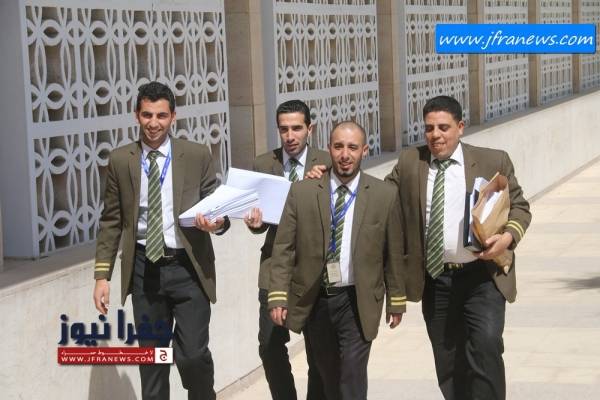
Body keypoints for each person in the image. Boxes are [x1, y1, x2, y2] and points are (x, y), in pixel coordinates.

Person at [385, 95, 532, 400]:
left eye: (443, 127)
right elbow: (378, 196)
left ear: (460, 127)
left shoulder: (493, 161)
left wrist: (506, 239)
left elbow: (520, 208)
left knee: (486, 346)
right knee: (449, 362)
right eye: (429, 128)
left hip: (482, 277)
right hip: (436, 281)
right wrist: (327, 175)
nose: (435, 135)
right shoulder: (410, 162)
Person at [92, 81, 229, 400]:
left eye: (161, 116)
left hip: (188, 268)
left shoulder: (196, 155)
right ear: (136, 115)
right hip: (144, 270)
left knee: (192, 355)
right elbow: (111, 220)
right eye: (147, 115)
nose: (154, 123)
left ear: (173, 117)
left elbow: (216, 206)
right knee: (152, 361)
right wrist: (102, 276)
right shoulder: (121, 160)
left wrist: (216, 223)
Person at [267, 121, 408, 400]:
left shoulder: (384, 195)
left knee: (351, 374)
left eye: (353, 147)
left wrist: (396, 300)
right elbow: (284, 248)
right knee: (328, 376)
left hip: (358, 300)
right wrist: (278, 295)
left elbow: (393, 252)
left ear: (364, 150)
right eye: (338, 146)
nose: (345, 155)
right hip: (318, 300)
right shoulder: (303, 192)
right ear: (328, 149)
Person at [244, 99, 330, 400]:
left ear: (310, 128)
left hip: (314, 268)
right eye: (284, 130)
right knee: (269, 345)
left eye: (296, 128)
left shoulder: (327, 162)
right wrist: (254, 223)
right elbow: (260, 221)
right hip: (275, 266)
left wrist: (318, 189)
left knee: (318, 348)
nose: (290, 136)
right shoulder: (263, 165)